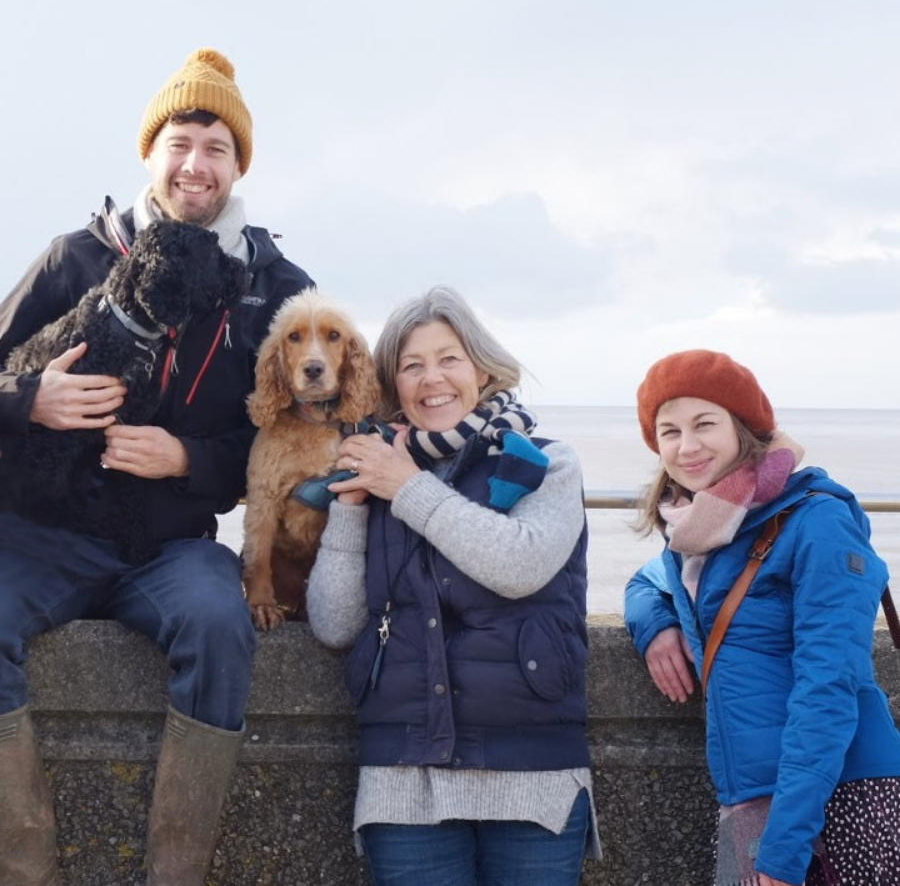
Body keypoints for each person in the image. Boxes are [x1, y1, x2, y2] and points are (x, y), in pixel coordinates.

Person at [0, 48, 314, 886]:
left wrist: (189, 460)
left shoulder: (278, 287)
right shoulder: (73, 256)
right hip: (42, 536)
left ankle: (174, 874)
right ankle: (27, 872)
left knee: (221, 626)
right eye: (180, 142)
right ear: (150, 152)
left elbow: (297, 441)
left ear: (237, 163)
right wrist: (28, 398)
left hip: (169, 548)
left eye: (216, 147)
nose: (195, 164)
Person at [306, 286, 599, 886]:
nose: (431, 379)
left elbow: (520, 567)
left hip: (532, 772)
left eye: (448, 359)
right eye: (411, 365)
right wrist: (354, 505)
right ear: (393, 384)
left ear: (481, 368)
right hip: (403, 774)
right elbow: (334, 623)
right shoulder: (377, 467)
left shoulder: (547, 462)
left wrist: (406, 485)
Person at [623, 349, 900, 886]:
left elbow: (828, 685)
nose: (687, 445)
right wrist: (657, 628)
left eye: (705, 424)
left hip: (838, 796)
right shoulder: (700, 532)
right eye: (669, 431)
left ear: (744, 428)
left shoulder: (815, 520)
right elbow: (644, 584)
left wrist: (786, 843)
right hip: (752, 795)